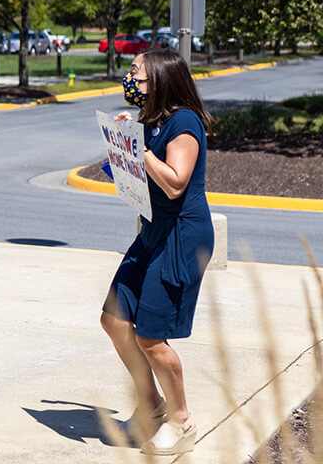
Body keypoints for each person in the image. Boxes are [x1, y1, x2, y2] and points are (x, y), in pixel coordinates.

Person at [100, 48, 215, 455]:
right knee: (113, 318)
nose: (129, 80)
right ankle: (150, 404)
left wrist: (142, 150)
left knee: (150, 335)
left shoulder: (184, 123)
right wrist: (125, 142)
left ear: (161, 79)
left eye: (136, 73)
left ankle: (181, 420)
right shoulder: (154, 121)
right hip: (153, 231)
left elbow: (175, 183)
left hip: (180, 238)